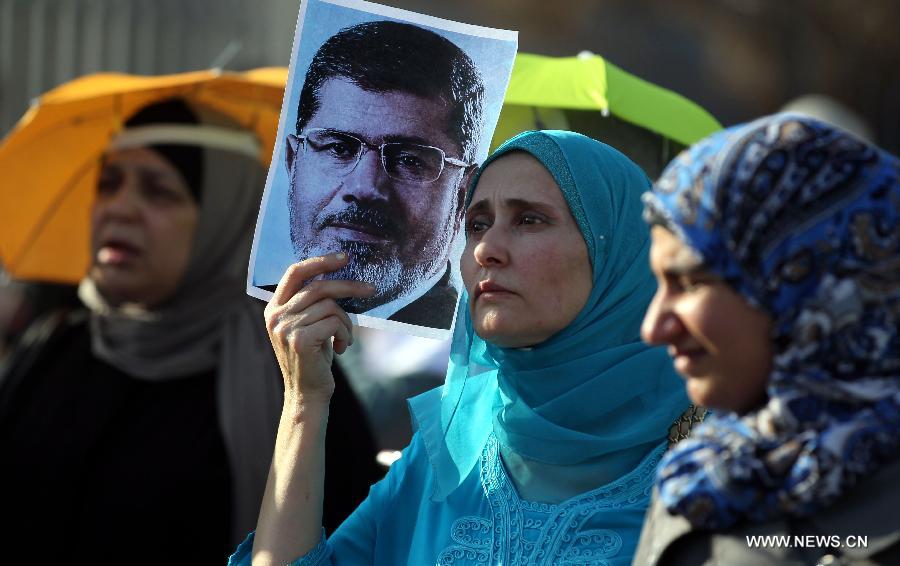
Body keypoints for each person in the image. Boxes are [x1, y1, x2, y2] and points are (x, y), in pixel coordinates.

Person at [233, 130, 690, 565]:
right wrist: (304, 401)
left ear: (618, 250)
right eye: (477, 225)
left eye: (529, 220)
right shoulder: (450, 450)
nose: (486, 249)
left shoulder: (712, 458)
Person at [0, 98, 381, 563]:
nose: (120, 209)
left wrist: (304, 403)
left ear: (224, 215)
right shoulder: (54, 347)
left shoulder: (295, 374)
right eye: (109, 184)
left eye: (159, 191)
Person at [634, 114, 900, 565]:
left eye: (691, 282)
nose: (653, 327)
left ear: (808, 281)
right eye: (659, 284)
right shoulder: (707, 472)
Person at [273, 20, 484, 330]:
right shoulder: (245, 317)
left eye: (409, 160)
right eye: (338, 148)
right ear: (293, 162)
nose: (365, 187)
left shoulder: (482, 341)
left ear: (463, 193)